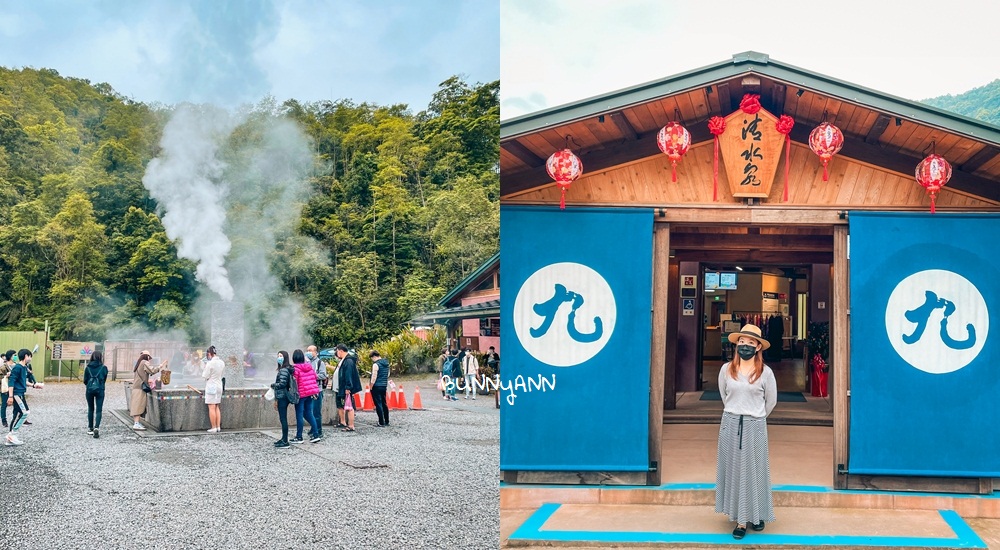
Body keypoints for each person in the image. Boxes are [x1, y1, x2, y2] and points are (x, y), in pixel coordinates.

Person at [716, 324, 777, 539]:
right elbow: (725, 396)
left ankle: (757, 514)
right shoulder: (726, 370)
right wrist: (737, 412)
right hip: (730, 423)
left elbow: (771, 402)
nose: (745, 346)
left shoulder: (766, 373)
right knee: (735, 470)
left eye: (751, 343)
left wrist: (754, 415)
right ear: (736, 344)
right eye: (741, 342)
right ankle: (741, 520)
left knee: (756, 471)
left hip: (755, 425)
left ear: (758, 347)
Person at [5, 349, 38, 446]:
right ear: (26, 356)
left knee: (16, 414)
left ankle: (10, 438)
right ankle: (12, 434)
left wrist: (34, 385)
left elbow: (23, 382)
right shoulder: (18, 367)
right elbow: (11, 382)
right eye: (30, 356)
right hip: (16, 394)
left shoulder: (24, 368)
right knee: (25, 412)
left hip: (21, 394)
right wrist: (10, 396)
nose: (31, 358)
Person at [130, 350, 165, 430]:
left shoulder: (139, 363)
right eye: (150, 357)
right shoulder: (144, 362)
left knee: (138, 405)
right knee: (138, 406)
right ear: (147, 356)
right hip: (140, 388)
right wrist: (160, 366)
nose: (150, 359)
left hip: (136, 387)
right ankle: (136, 424)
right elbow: (152, 370)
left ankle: (137, 423)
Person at [292, 349, 321, 443]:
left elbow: (294, 382)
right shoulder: (309, 367)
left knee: (299, 415)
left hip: (300, 395)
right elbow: (315, 377)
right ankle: (316, 434)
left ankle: (299, 436)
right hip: (310, 394)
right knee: (309, 413)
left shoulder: (295, 369)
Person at [335, 344, 362, 432]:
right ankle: (346, 423)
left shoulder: (348, 361)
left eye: (337, 351)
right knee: (345, 405)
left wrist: (348, 387)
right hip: (343, 386)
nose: (337, 353)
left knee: (349, 406)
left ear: (341, 351)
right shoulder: (345, 360)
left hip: (347, 387)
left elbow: (348, 375)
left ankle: (351, 425)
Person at [270, 351, 294, 449]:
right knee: (282, 418)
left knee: (283, 419)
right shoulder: (286, 369)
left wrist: (273, 385)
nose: (279, 358)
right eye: (278, 356)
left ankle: (285, 441)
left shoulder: (284, 370)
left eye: (281, 356)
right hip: (283, 396)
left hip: (283, 397)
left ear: (285, 358)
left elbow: (282, 384)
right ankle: (283, 438)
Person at [84, 351, 109, 439]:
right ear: (100, 357)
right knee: (99, 410)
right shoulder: (104, 368)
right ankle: (97, 427)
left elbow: (85, 381)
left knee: (91, 409)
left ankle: (90, 428)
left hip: (89, 390)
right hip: (100, 390)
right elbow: (104, 379)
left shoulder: (87, 368)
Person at [202, 346, 225, 433]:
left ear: (209, 354)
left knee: (211, 407)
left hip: (211, 386)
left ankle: (213, 427)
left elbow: (205, 376)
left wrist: (204, 367)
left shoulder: (210, 363)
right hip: (219, 385)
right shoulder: (222, 362)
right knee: (217, 406)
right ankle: (218, 426)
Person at [306, 345, 327, 436]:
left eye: (311, 350)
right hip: (308, 390)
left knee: (316, 412)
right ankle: (313, 428)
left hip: (317, 390)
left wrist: (312, 376)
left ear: (316, 352)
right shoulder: (307, 362)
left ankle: (319, 430)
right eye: (307, 350)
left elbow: (323, 375)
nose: (308, 352)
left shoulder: (319, 363)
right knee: (309, 411)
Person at [369, 350, 390, 427]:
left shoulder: (376, 364)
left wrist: (371, 386)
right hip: (384, 385)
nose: (372, 360)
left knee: (378, 404)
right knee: (384, 403)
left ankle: (381, 422)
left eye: (372, 358)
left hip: (376, 386)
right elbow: (387, 374)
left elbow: (374, 376)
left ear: (374, 356)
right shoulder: (386, 364)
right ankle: (387, 420)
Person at [0, 349, 15, 428]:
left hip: (14, 387)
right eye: (14, 355)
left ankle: (18, 418)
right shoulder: (3, 367)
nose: (15, 357)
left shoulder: (16, 365)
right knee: (4, 404)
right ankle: (4, 419)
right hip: (5, 387)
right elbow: (0, 376)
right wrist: (6, 376)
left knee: (17, 403)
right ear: (10, 356)